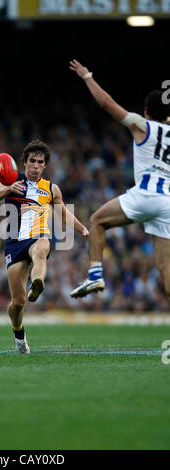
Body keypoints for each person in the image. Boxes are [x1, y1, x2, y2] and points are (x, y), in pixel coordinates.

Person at [69, 59, 170, 302]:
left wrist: (87, 77)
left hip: (145, 195)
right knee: (167, 273)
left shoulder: (142, 125)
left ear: (146, 111)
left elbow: (106, 103)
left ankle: (95, 274)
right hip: (168, 204)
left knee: (97, 221)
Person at [0, 139, 89, 354]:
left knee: (41, 249)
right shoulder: (13, 179)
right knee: (17, 303)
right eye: (32, 161)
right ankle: (19, 336)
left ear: (45, 165)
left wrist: (82, 229)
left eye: (40, 162)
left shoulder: (51, 189)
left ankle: (38, 282)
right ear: (24, 162)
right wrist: (8, 187)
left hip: (39, 235)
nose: (36, 165)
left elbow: (64, 214)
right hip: (15, 242)